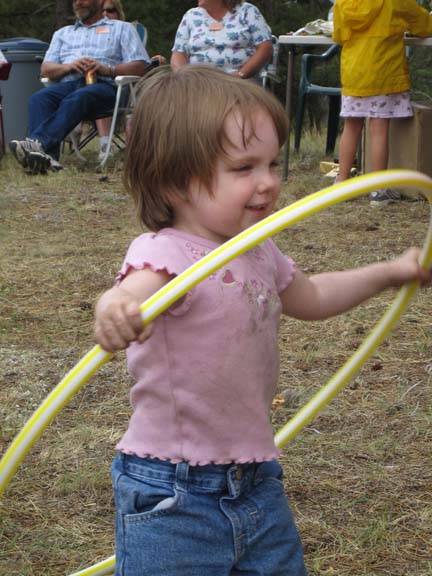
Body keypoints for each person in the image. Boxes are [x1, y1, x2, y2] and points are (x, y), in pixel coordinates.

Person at [93, 65, 432, 576]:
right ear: (175, 178)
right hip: (172, 490)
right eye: (244, 167)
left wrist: (390, 272)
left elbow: (312, 296)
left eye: (273, 163)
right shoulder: (164, 254)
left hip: (255, 478)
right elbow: (134, 291)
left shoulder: (256, 250)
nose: (269, 182)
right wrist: (115, 308)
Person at [9, 0, 151, 174]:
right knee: (39, 98)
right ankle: (46, 160)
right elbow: (46, 69)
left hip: (106, 87)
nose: (78, 3)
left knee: (82, 95)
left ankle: (37, 145)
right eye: (75, 0)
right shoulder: (63, 33)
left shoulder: (121, 28)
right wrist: (69, 67)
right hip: (69, 85)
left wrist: (106, 69)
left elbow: (140, 66)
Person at [333, 0, 432, 206]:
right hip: (383, 71)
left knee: (351, 126)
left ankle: (341, 183)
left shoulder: (343, 2)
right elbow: (424, 25)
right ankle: (378, 190)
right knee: (378, 127)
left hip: (354, 73)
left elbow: (339, 36)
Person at [171, 0, 273, 81]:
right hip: (199, 84)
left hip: (239, 83)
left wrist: (240, 75)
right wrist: (184, 78)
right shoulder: (191, 16)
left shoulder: (247, 11)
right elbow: (178, 54)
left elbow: (265, 48)